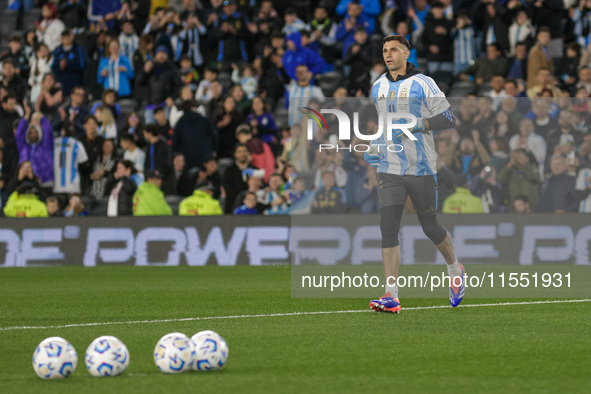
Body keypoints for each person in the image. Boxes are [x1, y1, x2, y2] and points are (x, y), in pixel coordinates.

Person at [364, 35, 464, 313]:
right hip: (389, 167)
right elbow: (384, 126)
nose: (388, 54)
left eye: (394, 49)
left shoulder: (424, 83)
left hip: (420, 168)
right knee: (388, 227)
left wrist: (417, 123)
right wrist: (374, 144)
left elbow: (447, 119)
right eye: (384, 50)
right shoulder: (378, 87)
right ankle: (391, 294)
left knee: (430, 227)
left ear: (407, 53)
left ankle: (455, 269)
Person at [50, 30, 86, 96]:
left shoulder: (78, 49)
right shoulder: (57, 51)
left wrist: (67, 64)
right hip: (62, 84)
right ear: (61, 39)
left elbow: (82, 65)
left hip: (75, 83)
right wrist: (60, 67)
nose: (65, 40)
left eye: (67, 37)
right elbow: (53, 67)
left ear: (71, 38)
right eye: (64, 38)